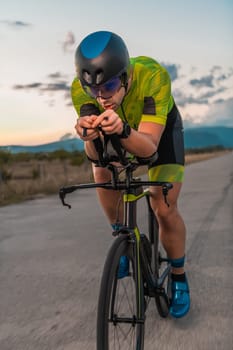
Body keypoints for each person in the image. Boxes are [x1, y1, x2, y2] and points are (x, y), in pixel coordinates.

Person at [71, 30, 190, 318]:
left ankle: (178, 276)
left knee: (162, 206)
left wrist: (123, 129)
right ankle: (121, 237)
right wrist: (88, 135)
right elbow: (96, 156)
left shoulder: (153, 76)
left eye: (110, 86)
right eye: (93, 90)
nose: (102, 97)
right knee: (101, 171)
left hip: (159, 134)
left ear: (125, 76)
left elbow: (148, 151)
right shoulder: (81, 89)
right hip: (119, 127)